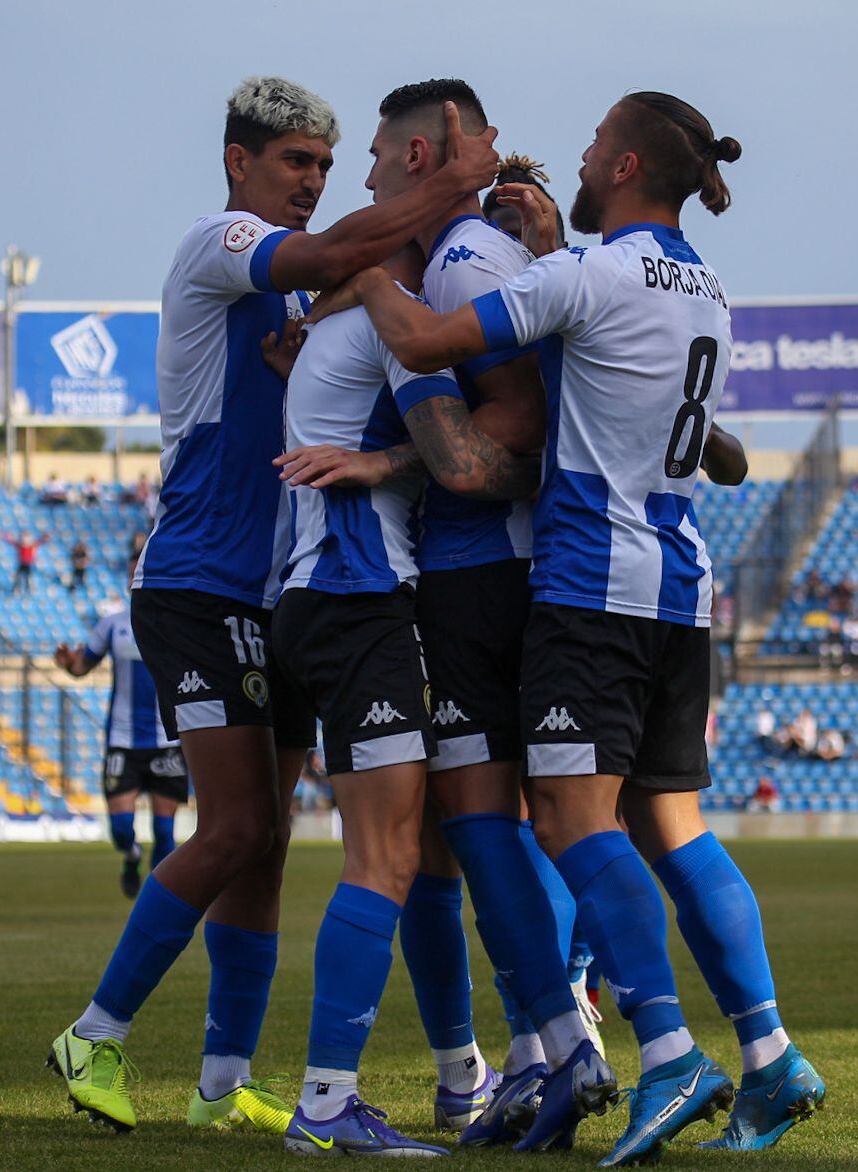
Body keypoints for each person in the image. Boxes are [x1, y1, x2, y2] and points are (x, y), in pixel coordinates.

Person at [327, 90, 823, 1158]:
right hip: (677, 592)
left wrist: (359, 266)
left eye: (597, 146)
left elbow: (420, 338)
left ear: (631, 164)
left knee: (561, 818)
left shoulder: (583, 274)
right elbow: (709, 444)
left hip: (590, 587)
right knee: (671, 830)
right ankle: (771, 1052)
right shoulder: (707, 288)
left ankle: (665, 1050)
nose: (580, 165)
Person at [45, 75, 501, 1145]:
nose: (311, 184)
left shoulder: (304, 298)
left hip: (277, 587)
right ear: (238, 162)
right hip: (197, 583)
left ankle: (221, 1079)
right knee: (240, 822)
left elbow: (339, 290)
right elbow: (327, 255)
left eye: (323, 169)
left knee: (264, 847)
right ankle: (93, 1033)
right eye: (294, 163)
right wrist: (452, 188)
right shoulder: (221, 243)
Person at [273, 226, 546, 1155]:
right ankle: (323, 1103)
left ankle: (457, 1077)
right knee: (385, 859)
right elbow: (469, 463)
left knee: (423, 851)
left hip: (333, 597)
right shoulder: (393, 334)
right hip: (360, 600)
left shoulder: (331, 338)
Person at [53, 584, 189, 898]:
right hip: (123, 740)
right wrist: (69, 663)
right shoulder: (113, 623)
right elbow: (81, 666)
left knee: (165, 832)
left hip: (166, 740)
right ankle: (131, 856)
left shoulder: (178, 618)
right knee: (121, 829)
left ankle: (157, 901)